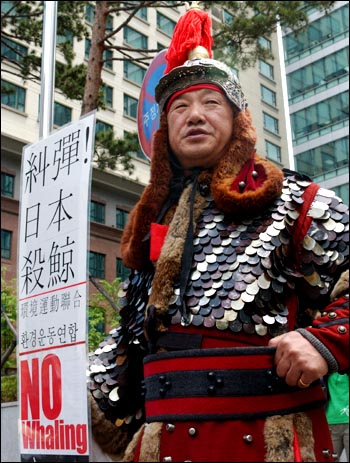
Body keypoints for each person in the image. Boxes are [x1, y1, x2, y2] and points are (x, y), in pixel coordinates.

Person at [88, 5, 349, 462]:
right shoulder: (159, 221)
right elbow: (133, 333)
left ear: (238, 120)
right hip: (162, 441)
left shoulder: (296, 199)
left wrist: (327, 340)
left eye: (210, 103)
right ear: (165, 128)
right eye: (180, 107)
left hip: (268, 438)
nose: (195, 116)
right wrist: (77, 385)